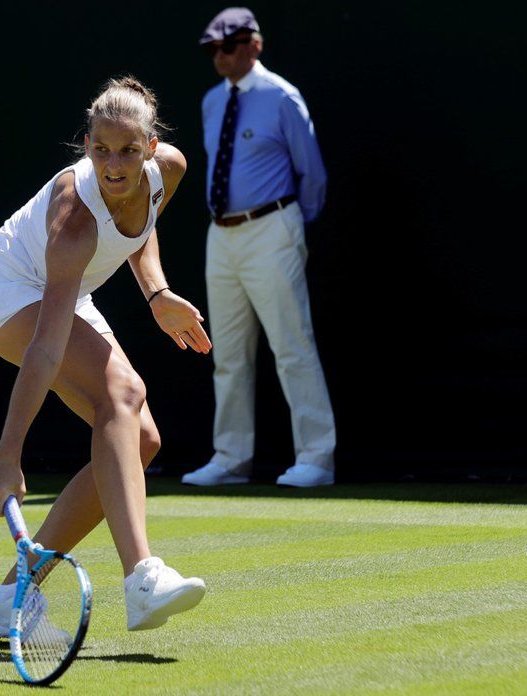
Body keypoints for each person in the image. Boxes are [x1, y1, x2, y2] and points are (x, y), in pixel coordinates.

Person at [0, 77, 212, 634]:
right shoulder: (73, 221)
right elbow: (44, 349)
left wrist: (156, 294)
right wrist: (9, 455)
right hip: (6, 288)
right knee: (123, 394)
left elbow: (140, 224)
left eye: (128, 150)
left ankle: (11, 596)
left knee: (139, 439)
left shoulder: (167, 169)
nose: (114, 165)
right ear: (86, 144)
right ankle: (142, 578)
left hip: (67, 289)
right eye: (101, 150)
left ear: (151, 148)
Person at [181, 8, 336, 488]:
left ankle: (317, 458)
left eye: (227, 47)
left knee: (291, 345)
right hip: (221, 234)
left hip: (272, 226)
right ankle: (231, 458)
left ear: (254, 45)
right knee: (226, 352)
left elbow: (312, 173)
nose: (219, 57)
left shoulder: (282, 97)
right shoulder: (211, 102)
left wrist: (290, 226)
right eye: (212, 50)